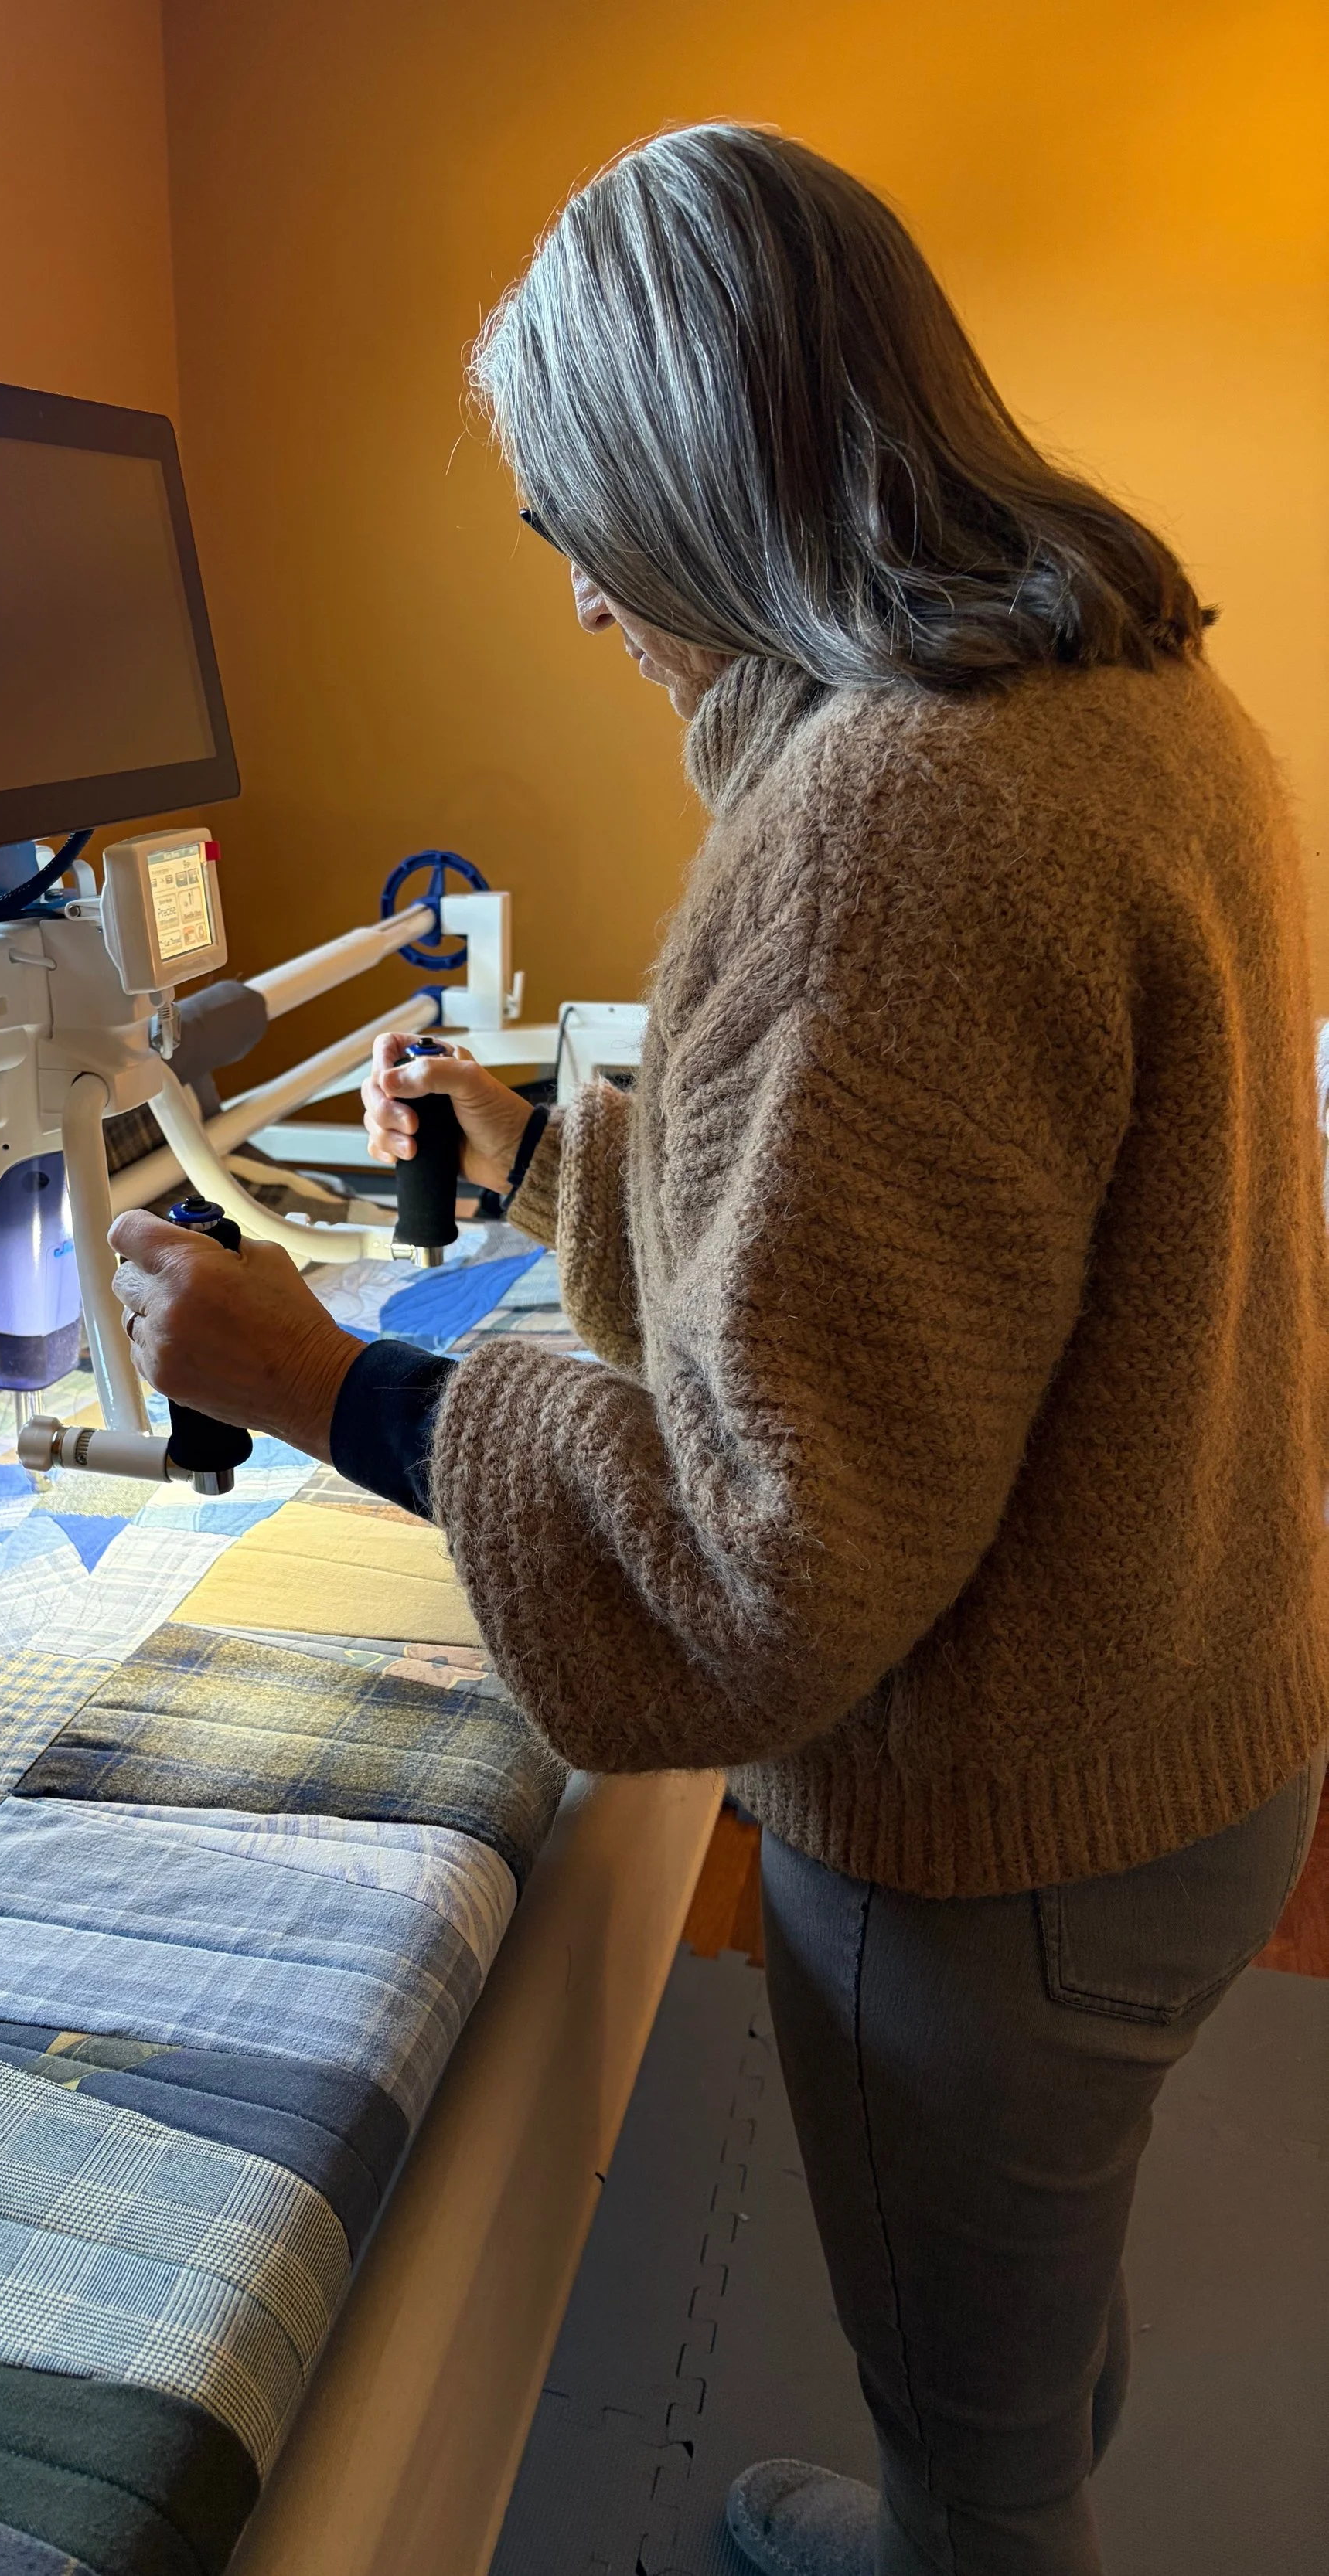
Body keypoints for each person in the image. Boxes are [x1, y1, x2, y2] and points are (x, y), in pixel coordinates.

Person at [107, 123, 1328, 2576]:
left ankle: (963, 2518)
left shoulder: (890, 819)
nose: (574, 596)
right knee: (1031, 2282)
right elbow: (914, 1280)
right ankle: (987, 2461)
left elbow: (755, 1565)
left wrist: (316, 1378)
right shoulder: (1115, 692)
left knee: (977, 2445)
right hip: (1199, 1735)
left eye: (569, 523)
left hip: (1002, 1843)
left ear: (688, 468)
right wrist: (544, 1156)